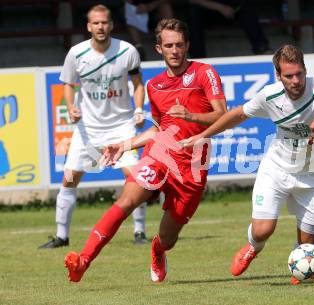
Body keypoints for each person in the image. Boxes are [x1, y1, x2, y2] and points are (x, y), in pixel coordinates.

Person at [181, 44, 314, 284]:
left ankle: (301, 267)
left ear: (305, 70)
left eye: (299, 73)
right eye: (288, 75)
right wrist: (203, 135)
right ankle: (252, 247)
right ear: (278, 76)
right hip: (276, 170)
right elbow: (238, 114)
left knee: (308, 243)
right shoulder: (269, 95)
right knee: (262, 230)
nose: (295, 80)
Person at [63, 18, 227, 283]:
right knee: (126, 201)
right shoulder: (155, 85)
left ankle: (157, 250)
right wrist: (124, 145)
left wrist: (191, 116)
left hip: (192, 168)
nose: (175, 51)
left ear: (187, 46)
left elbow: (222, 116)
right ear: (159, 48)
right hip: (159, 155)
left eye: (179, 45)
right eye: (169, 45)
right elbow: (158, 130)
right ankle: (83, 261)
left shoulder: (203, 73)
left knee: (168, 237)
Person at [38, 5, 149, 249]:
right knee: (69, 178)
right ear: (89, 26)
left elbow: (138, 84)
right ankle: (61, 236)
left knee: (135, 179)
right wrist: (70, 107)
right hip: (88, 129)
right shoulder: (76, 53)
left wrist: (140, 110)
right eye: (96, 23)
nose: (100, 27)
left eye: (105, 22)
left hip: (122, 126)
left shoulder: (127, 51)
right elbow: (68, 83)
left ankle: (140, 232)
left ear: (111, 25)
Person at [188, 0, 272, 58]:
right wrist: (220, 7)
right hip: (209, 11)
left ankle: (261, 47)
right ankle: (197, 57)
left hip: (231, 11)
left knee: (246, 8)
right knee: (193, 14)